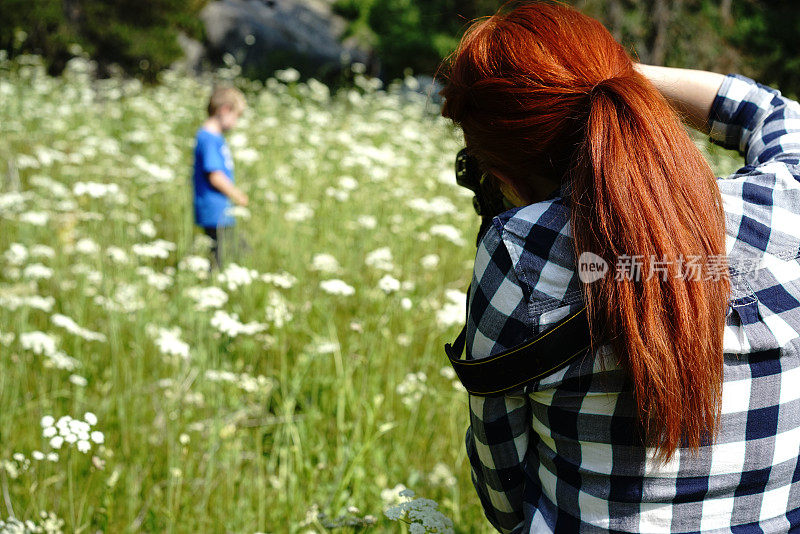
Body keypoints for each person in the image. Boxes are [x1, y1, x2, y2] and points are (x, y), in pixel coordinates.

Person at [440, 2, 800, 532]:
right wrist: (620, 78)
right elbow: (772, 114)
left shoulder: (518, 249)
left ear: (504, 173)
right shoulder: (780, 208)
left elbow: (504, 487)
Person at [192, 85, 250, 269]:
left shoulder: (213, 137)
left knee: (226, 252)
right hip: (215, 210)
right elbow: (215, 175)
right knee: (224, 256)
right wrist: (237, 195)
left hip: (220, 211)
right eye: (236, 116)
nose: (236, 122)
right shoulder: (209, 138)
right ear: (224, 110)